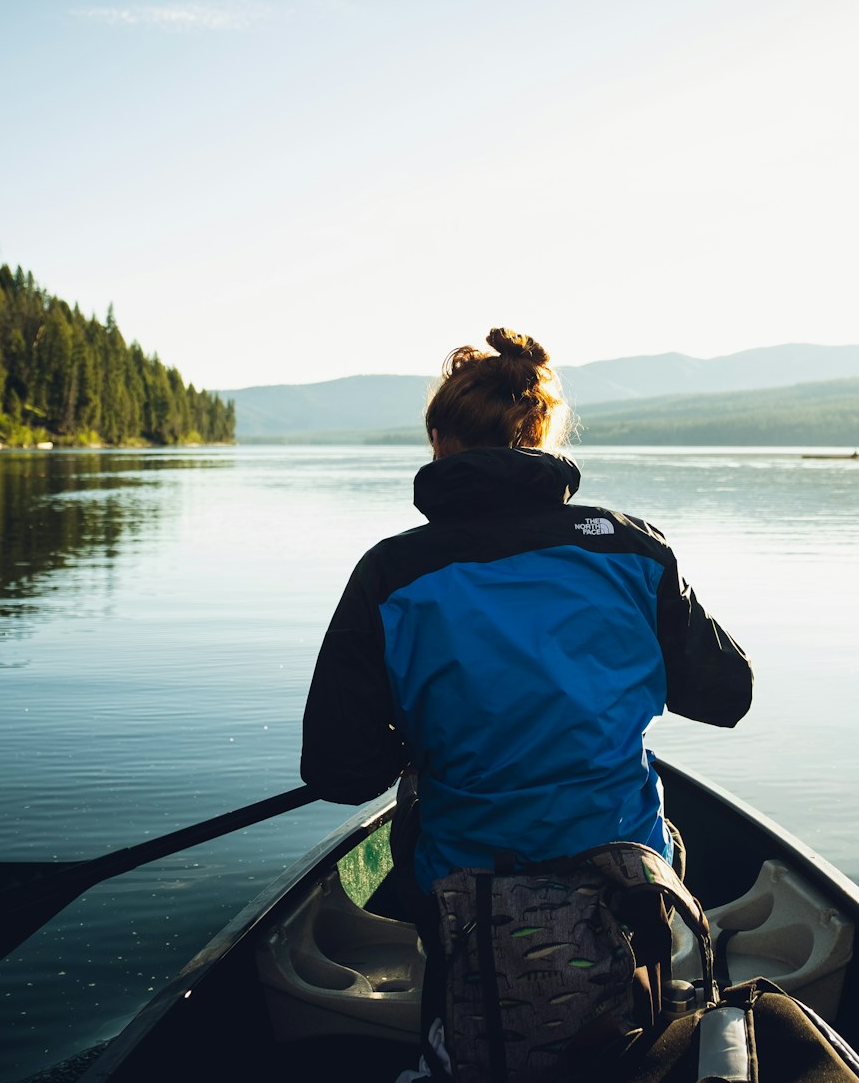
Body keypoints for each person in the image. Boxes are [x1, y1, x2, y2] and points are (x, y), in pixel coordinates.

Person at [299, 327, 752, 1074]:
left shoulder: (390, 573)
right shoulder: (634, 551)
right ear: (543, 434)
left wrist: (411, 743)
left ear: (439, 441)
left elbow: (338, 772)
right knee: (630, 1030)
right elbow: (727, 695)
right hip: (625, 870)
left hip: (464, 891)